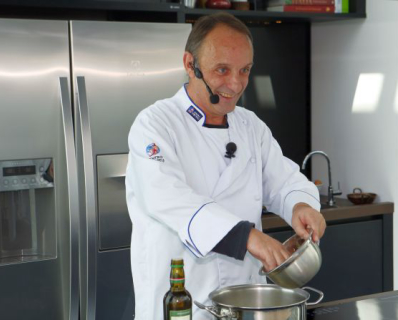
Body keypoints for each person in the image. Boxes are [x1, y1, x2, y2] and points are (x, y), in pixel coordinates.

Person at [125, 12, 326, 320]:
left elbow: (285, 181)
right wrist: (248, 237)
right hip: (182, 302)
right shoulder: (155, 124)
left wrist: (301, 205)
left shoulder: (250, 127)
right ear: (190, 64)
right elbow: (168, 197)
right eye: (222, 69)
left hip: (246, 302)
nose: (235, 84)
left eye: (244, 70)